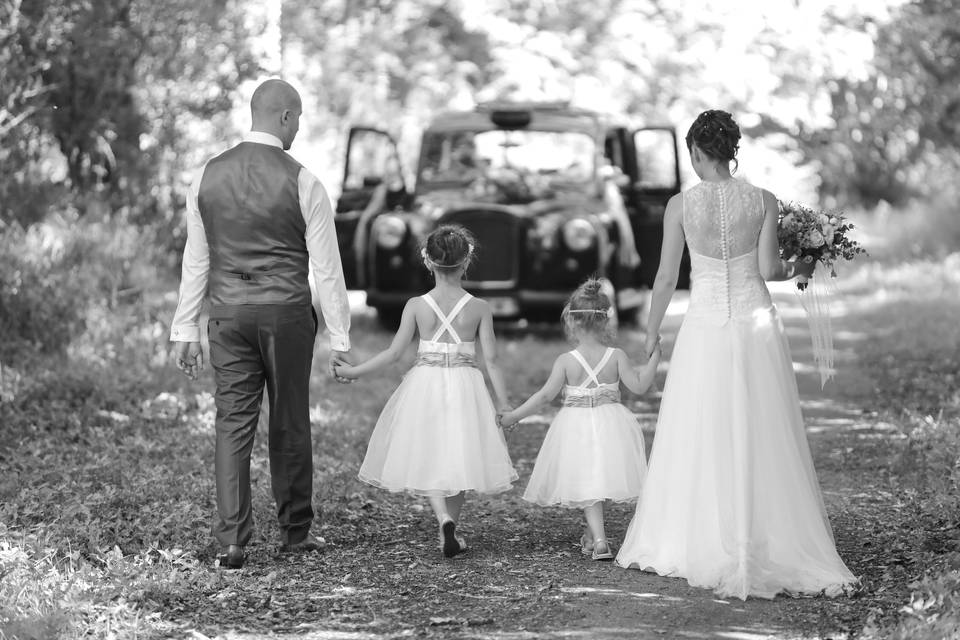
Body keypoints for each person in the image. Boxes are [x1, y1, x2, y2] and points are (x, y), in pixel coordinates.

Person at [615, 110, 857, 598]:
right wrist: (807, 260)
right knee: (760, 426)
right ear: (732, 151)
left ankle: (702, 534)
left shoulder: (680, 206)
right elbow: (769, 268)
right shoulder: (763, 200)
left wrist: (650, 331)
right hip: (755, 326)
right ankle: (763, 535)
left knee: (701, 426)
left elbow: (665, 278)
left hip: (705, 326)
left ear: (697, 153)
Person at [170, 78, 353, 570]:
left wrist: (185, 329)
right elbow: (327, 268)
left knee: (232, 423)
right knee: (290, 419)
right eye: (299, 120)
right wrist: (340, 336)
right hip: (286, 315)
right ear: (286, 117)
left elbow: (197, 259)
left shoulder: (206, 175)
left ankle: (231, 540)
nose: (299, 130)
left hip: (227, 316)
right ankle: (295, 532)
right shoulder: (304, 181)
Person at [334, 225, 517, 558]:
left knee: (430, 450)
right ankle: (452, 528)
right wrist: (504, 405)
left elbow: (393, 354)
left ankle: (442, 517)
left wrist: (353, 371)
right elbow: (492, 360)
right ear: (466, 262)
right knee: (462, 452)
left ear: (428, 262)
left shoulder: (417, 305)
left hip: (426, 384)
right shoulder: (479, 308)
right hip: (465, 384)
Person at [498, 278, 660, 561]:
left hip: (576, 426)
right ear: (606, 321)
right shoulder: (617, 356)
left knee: (588, 478)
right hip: (612, 423)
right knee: (600, 476)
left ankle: (599, 540)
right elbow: (640, 386)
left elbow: (544, 396)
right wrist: (655, 357)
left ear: (571, 323)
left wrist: (513, 416)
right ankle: (591, 534)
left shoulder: (566, 360)